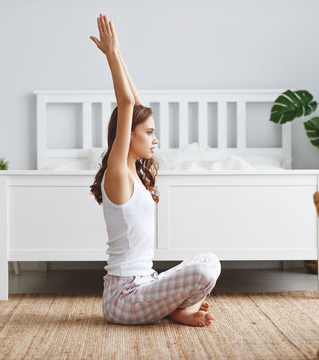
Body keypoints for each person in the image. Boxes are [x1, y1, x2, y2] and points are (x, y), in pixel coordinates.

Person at [89, 14, 221, 326]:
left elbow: (135, 105)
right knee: (201, 272)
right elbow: (126, 105)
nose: (155, 139)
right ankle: (176, 312)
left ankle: (174, 311)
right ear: (128, 134)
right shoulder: (117, 173)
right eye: (149, 133)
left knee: (210, 261)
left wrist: (119, 54)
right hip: (124, 298)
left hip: (146, 283)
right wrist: (111, 56)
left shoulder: (136, 169)